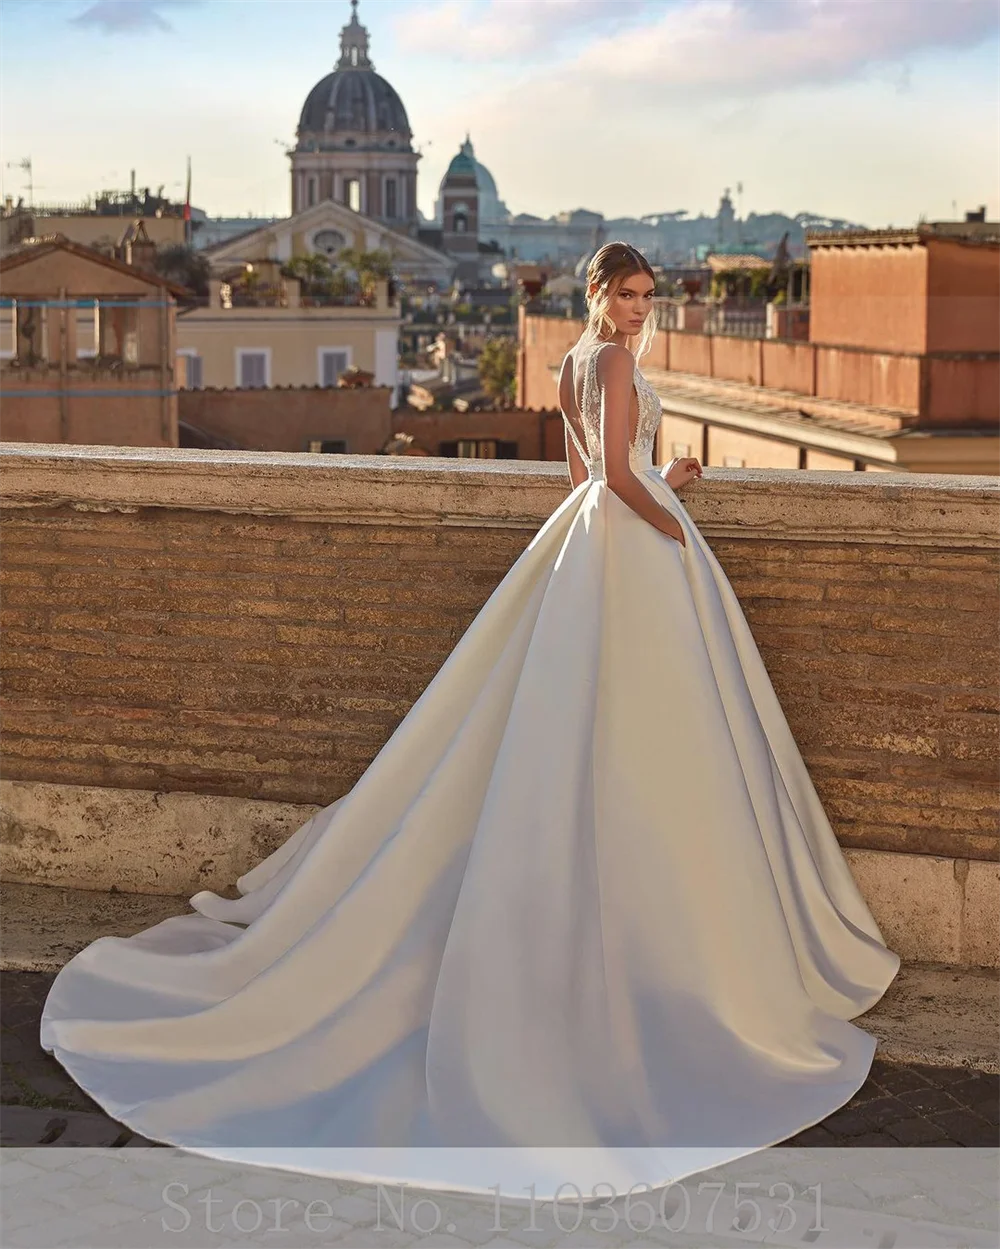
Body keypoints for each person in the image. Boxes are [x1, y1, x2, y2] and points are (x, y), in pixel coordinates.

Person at [40, 241, 900, 1203]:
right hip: (635, 550)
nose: (641, 309)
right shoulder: (612, 360)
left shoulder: (573, 362)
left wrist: (671, 481)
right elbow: (618, 479)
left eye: (650, 296)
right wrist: (677, 527)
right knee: (654, 743)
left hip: (583, 549)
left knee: (560, 725)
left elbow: (580, 476)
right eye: (629, 294)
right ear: (599, 295)